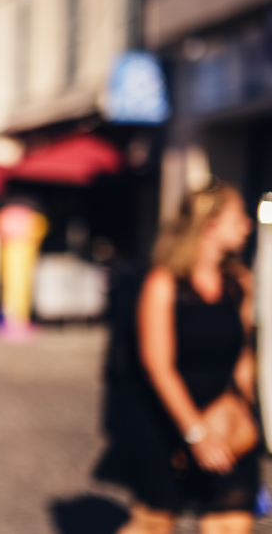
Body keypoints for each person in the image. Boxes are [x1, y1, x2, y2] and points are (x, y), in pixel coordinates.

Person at [98, 181, 259, 534]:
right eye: (239, 217)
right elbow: (158, 366)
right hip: (165, 419)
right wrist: (195, 433)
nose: (248, 225)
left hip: (222, 417)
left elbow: (244, 355)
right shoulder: (164, 283)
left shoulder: (239, 282)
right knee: (154, 525)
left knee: (233, 521)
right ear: (210, 224)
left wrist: (245, 413)